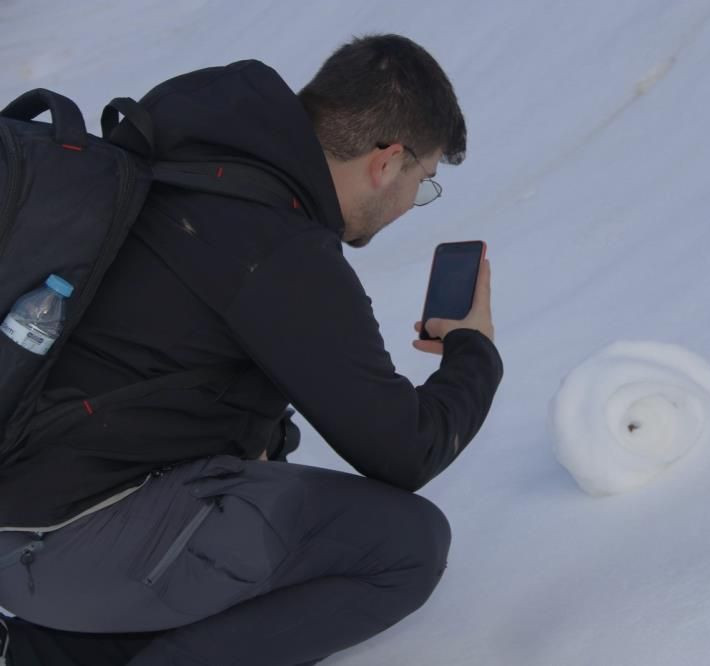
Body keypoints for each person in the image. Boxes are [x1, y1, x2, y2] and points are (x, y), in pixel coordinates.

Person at [0, 33, 502, 665]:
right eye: (422, 181)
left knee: (269, 476)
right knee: (406, 545)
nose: (410, 203)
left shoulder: (187, 158)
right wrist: (474, 352)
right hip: (54, 547)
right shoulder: (276, 249)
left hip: (28, 506)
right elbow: (407, 450)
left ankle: (37, 652)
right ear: (387, 160)